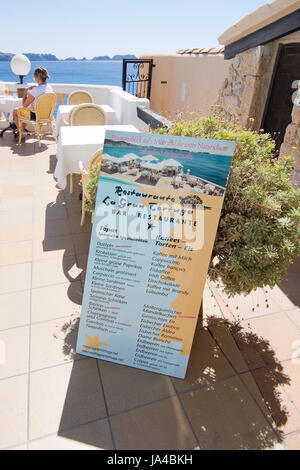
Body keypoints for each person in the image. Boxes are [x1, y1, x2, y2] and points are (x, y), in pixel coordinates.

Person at [13, 67, 53, 138]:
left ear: (37, 77)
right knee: (25, 112)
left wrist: (25, 92)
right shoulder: (49, 88)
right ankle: (21, 132)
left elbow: (24, 105)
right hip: (47, 115)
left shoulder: (36, 90)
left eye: (34, 77)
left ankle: (21, 133)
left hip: (36, 116)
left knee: (16, 111)